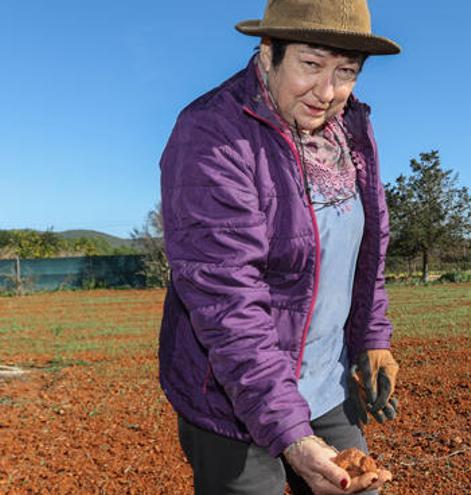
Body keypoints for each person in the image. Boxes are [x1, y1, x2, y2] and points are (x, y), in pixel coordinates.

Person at [157, 1, 401, 493]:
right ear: (269, 53)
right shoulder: (211, 135)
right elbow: (227, 300)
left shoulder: (351, 131)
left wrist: (372, 335)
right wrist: (290, 432)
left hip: (326, 384)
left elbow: (363, 250)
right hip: (233, 393)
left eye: (346, 72)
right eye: (311, 65)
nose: (327, 92)